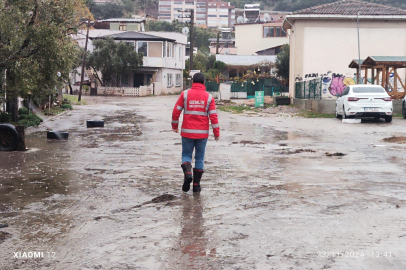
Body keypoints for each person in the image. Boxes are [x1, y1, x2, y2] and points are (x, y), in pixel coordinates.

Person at [171, 73, 220, 192]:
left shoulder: (185, 94)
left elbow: (176, 110)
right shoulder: (209, 97)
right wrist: (216, 132)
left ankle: (188, 173)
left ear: (193, 82)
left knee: (186, 155)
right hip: (202, 134)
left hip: (187, 132)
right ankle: (196, 185)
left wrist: (174, 125)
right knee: (199, 157)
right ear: (204, 83)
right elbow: (213, 116)